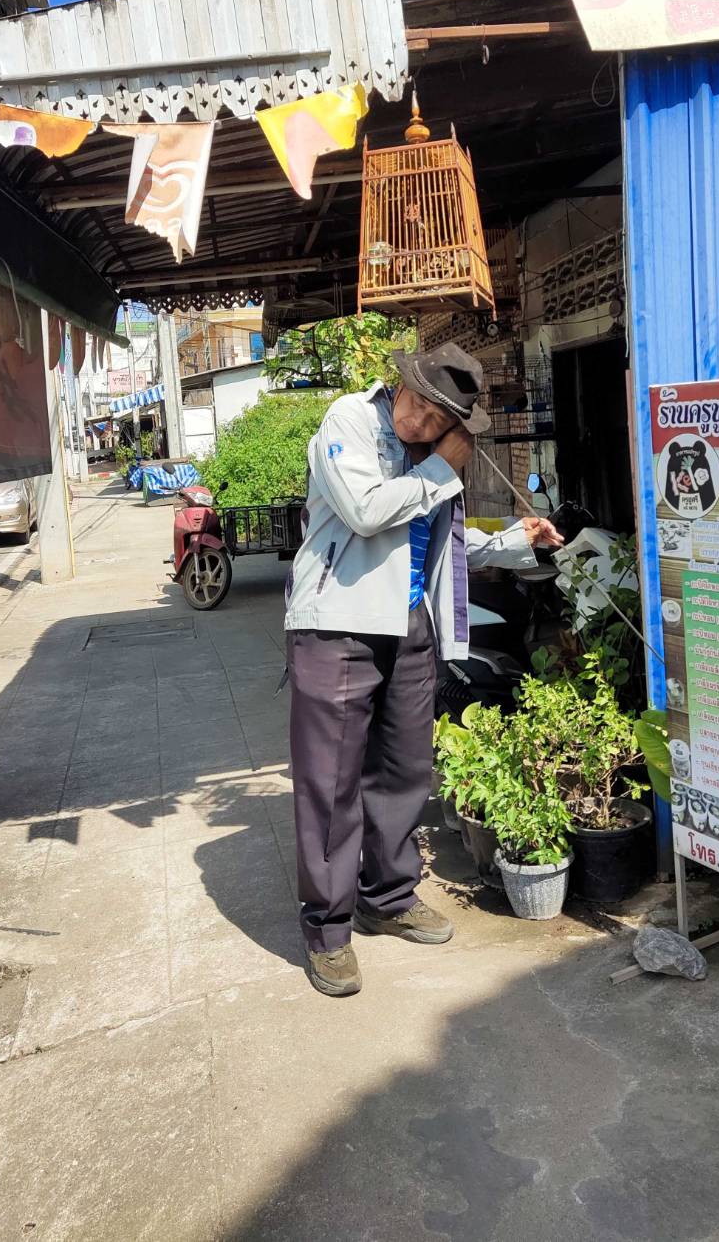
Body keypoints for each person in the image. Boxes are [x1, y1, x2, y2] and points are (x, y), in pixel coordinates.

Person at [284, 342, 563, 996]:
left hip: (409, 624)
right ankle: (327, 928)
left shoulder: (437, 462)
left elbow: (441, 541)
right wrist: (444, 466)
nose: (416, 421)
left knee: (407, 770)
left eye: (434, 418)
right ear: (399, 387)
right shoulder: (350, 421)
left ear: (452, 423)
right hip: (338, 624)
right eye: (414, 404)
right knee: (330, 785)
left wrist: (516, 541)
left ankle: (388, 893)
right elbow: (365, 510)